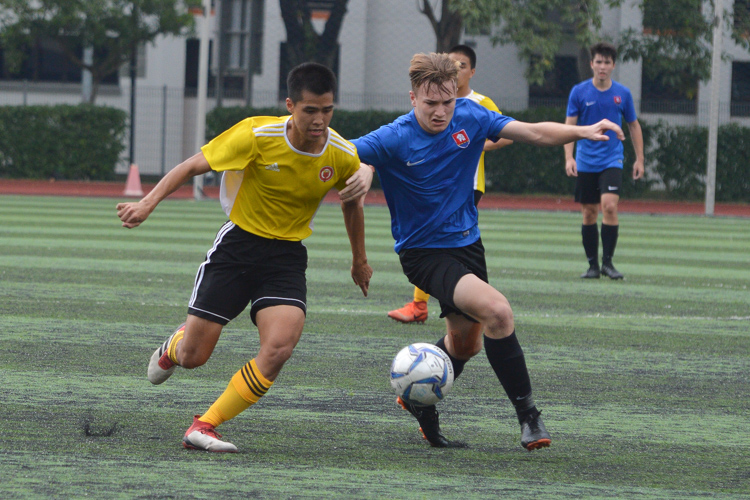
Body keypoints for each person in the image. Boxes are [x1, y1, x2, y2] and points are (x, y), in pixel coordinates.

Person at [353, 52, 624, 451]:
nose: (441, 111)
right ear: (412, 98)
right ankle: (529, 416)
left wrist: (582, 132)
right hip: (424, 254)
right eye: (431, 104)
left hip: (468, 246)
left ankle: (418, 399)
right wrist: (363, 169)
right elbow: (349, 153)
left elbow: (532, 131)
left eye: (447, 101)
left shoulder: (471, 114)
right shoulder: (395, 135)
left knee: (467, 344)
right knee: (498, 311)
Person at [116, 62, 374, 452]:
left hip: (286, 257)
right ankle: (174, 348)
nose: (320, 120)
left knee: (279, 347)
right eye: (310, 110)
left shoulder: (340, 153)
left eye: (327, 110)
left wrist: (359, 260)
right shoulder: (257, 134)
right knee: (194, 356)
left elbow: (352, 205)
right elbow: (192, 166)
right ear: (290, 105)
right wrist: (147, 203)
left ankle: (204, 425)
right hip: (237, 249)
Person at [387, 45, 512, 325]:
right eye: (453, 64)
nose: (458, 69)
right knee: (435, 238)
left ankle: (433, 303)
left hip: (468, 184)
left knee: (445, 237)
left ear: (471, 71)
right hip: (437, 191)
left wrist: (471, 145)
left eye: (463, 65)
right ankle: (422, 303)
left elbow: (507, 135)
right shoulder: (421, 115)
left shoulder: (480, 103)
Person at [564, 42, 645, 280]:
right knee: (589, 212)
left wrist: (640, 159)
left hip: (612, 159)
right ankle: (592, 266)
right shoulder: (579, 92)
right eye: (598, 61)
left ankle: (608, 263)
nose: (602, 66)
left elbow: (633, 125)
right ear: (591, 64)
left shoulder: (623, 94)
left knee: (609, 206)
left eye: (607, 62)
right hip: (586, 160)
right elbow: (569, 126)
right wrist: (569, 157)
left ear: (613, 66)